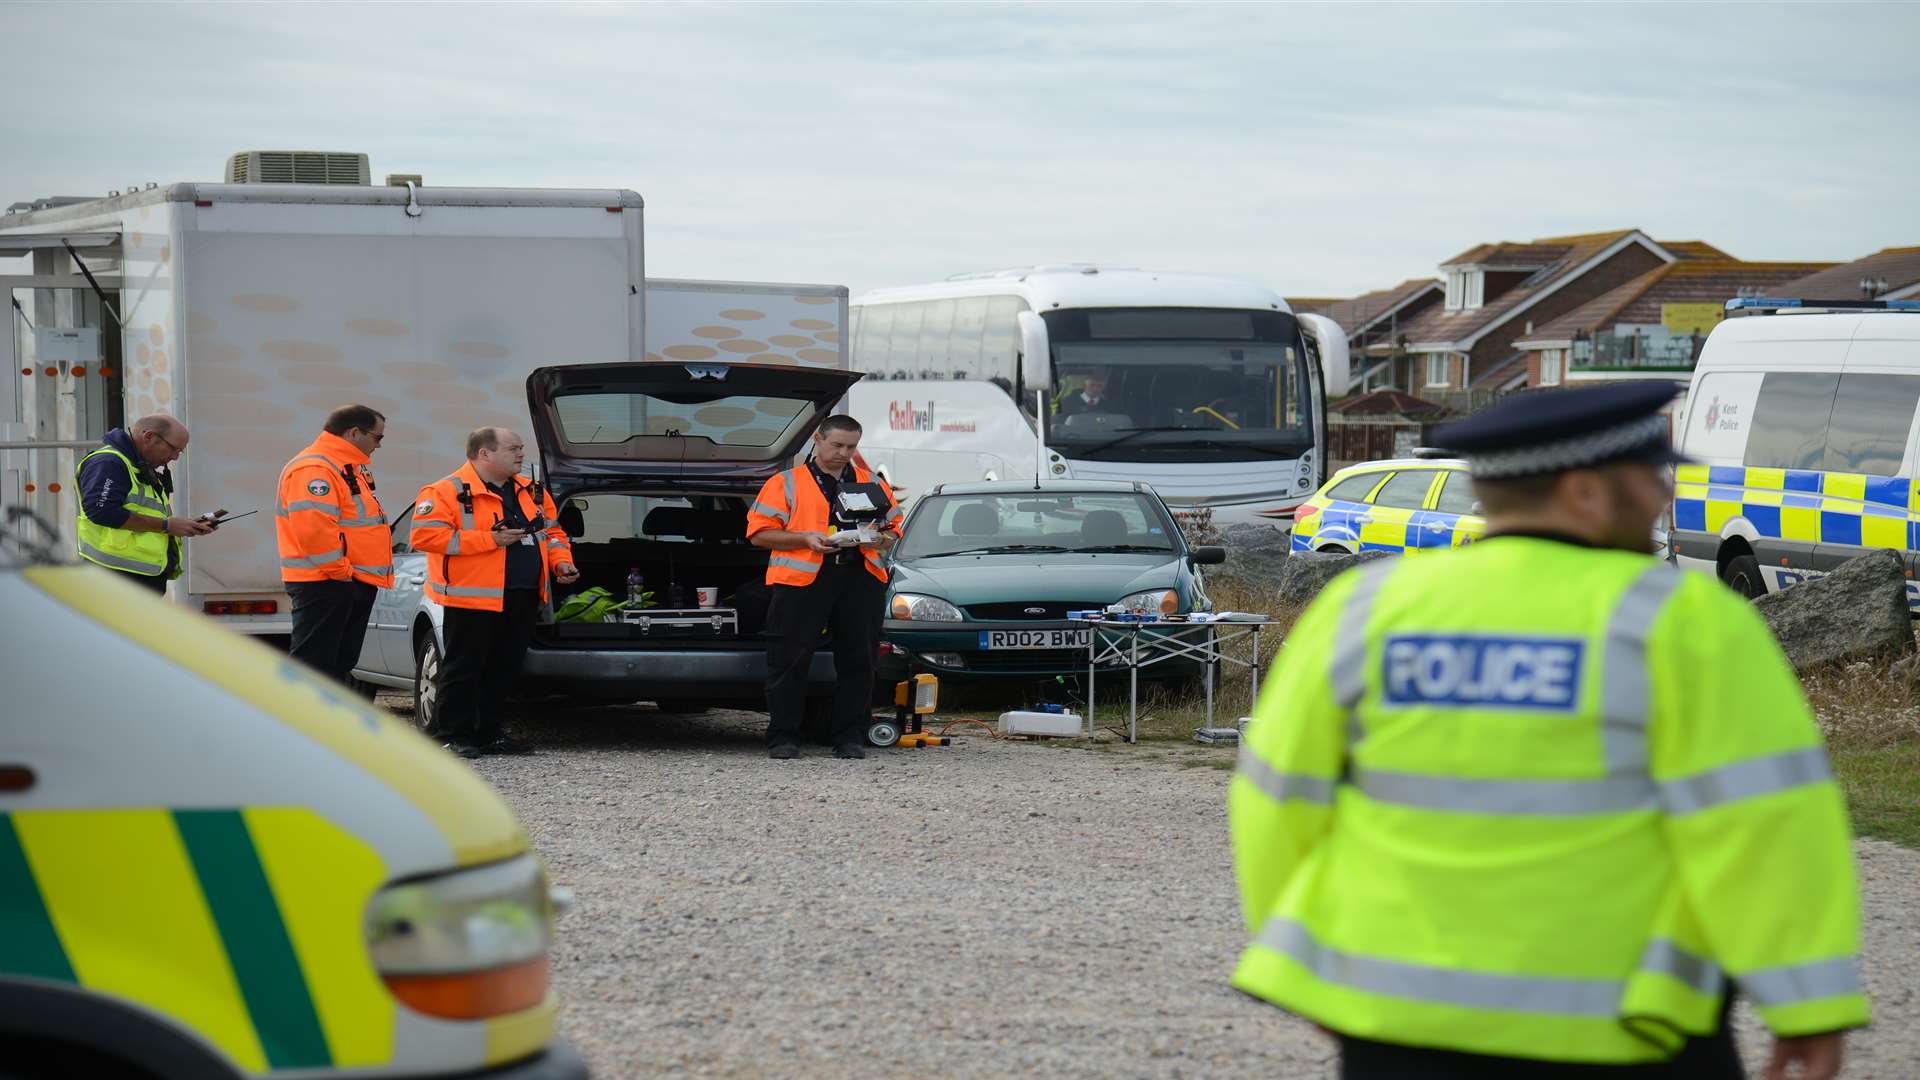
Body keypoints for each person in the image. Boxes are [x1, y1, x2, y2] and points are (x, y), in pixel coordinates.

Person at [1230, 382, 1867, 1080]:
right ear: (1584, 493)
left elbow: (1276, 800)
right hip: (1626, 1032)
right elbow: (1765, 825)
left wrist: (1316, 966)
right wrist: (1807, 1003)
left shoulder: (1362, 609)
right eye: (1650, 479)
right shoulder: (1688, 624)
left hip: (1397, 1023)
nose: (1662, 498)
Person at [410, 427, 578, 758]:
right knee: (463, 668)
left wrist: (561, 563)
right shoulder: (446, 491)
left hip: (522, 594)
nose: (521, 454)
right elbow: (425, 537)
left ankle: (489, 733)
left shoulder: (532, 491)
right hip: (471, 597)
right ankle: (452, 735)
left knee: (503, 668)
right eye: (513, 448)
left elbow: (553, 532)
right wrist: (490, 540)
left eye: (521, 448)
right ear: (485, 454)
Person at [746, 414, 903, 760]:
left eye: (851, 446)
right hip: (803, 580)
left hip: (860, 577)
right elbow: (759, 534)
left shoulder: (871, 482)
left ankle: (849, 737)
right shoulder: (786, 483)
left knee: (860, 661)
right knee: (788, 660)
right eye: (837, 445)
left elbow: (894, 527)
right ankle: (784, 737)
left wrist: (883, 537)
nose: (844, 453)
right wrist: (804, 538)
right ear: (818, 439)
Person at [276, 404, 394, 685]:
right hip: (328, 582)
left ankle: (319, 725)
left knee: (336, 664)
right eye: (378, 438)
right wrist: (342, 573)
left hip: (343, 581)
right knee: (314, 666)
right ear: (354, 432)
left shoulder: (344, 467)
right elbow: (314, 530)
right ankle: (299, 726)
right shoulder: (315, 468)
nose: (379, 445)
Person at [74, 413, 212, 593]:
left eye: (180, 451)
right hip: (115, 579)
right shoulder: (109, 463)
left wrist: (183, 526)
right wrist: (167, 526)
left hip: (134, 579)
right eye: (173, 449)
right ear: (149, 437)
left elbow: (145, 513)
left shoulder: (138, 465)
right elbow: (102, 512)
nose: (175, 457)